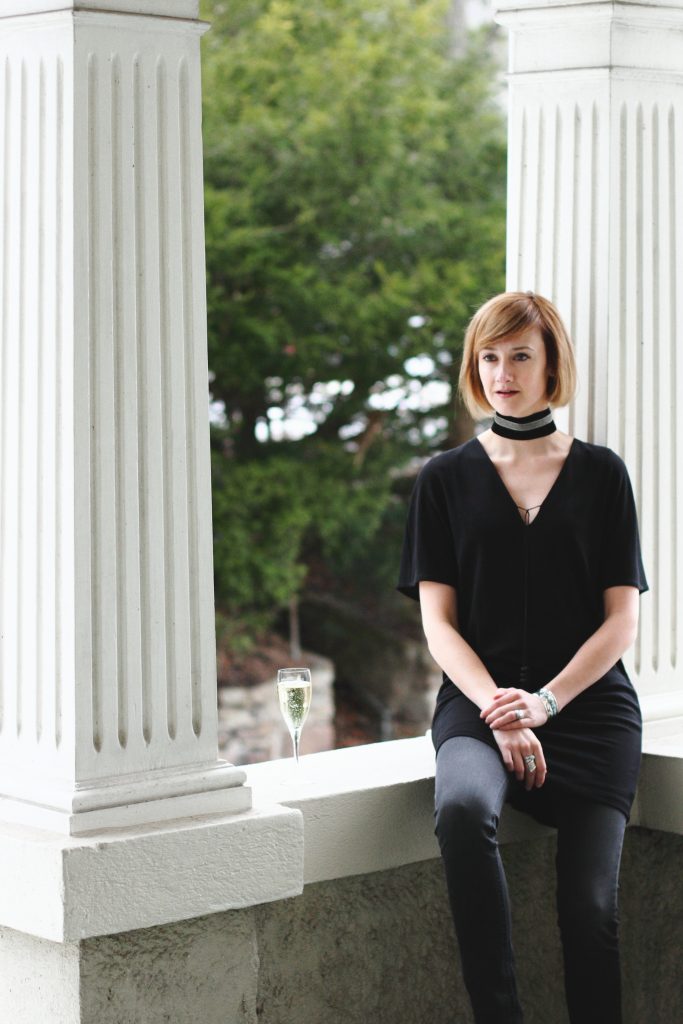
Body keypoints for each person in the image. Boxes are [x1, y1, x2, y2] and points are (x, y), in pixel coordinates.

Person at [397, 291, 647, 1024]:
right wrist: (499, 709)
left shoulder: (602, 475)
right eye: (489, 357)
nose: (502, 372)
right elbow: (438, 625)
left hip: (589, 710)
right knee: (464, 808)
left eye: (520, 355)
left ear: (550, 366)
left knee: (590, 907)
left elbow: (620, 620)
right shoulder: (442, 478)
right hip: (478, 706)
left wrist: (544, 703)